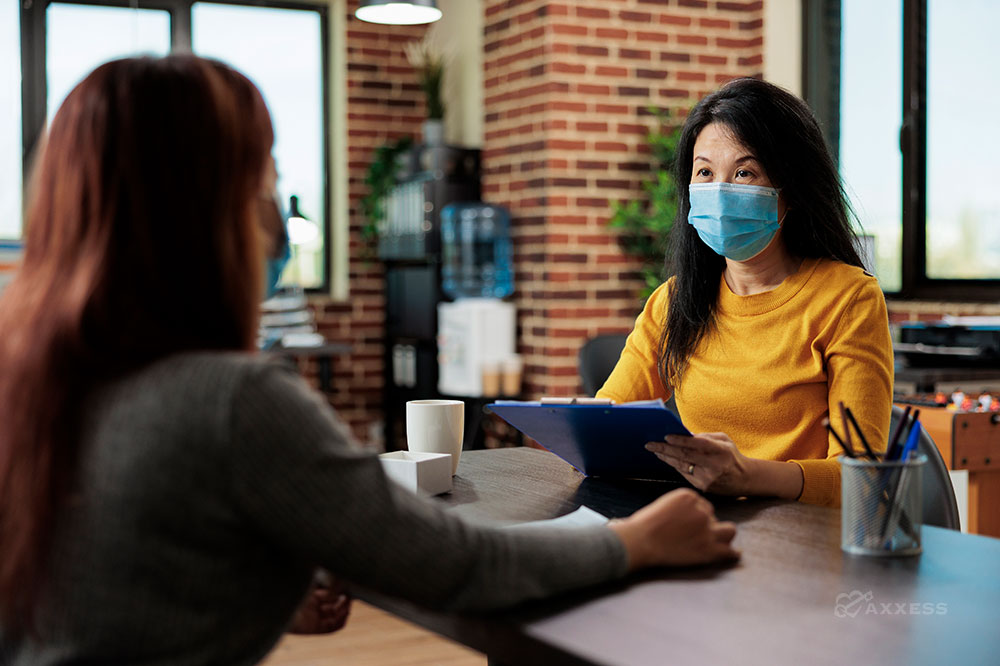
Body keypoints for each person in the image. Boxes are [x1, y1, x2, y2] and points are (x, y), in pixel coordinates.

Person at [0, 55, 737, 664]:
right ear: (200, 214)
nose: (276, 214)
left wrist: (249, 590)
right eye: (263, 180)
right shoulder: (231, 400)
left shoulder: (30, 373)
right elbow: (456, 565)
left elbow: (110, 575)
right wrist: (634, 543)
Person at [597, 78, 893, 508]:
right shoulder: (672, 302)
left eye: (743, 172)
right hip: (704, 532)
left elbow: (862, 482)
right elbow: (604, 424)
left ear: (789, 190)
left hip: (805, 546)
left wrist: (747, 476)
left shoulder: (848, 299)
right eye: (704, 172)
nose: (719, 190)